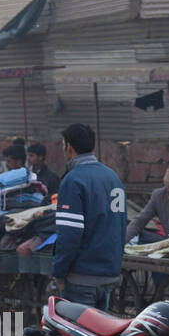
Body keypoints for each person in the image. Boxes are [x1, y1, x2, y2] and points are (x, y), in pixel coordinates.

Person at [50, 122, 126, 310]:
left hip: (82, 277)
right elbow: (121, 225)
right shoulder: (112, 177)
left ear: (69, 147)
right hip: (109, 274)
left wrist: (58, 272)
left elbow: (69, 235)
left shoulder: (73, 180)